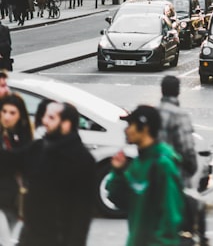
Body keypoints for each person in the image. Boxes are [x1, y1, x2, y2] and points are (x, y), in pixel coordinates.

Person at [0, 100, 96, 246]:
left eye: (51, 118)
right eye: (45, 116)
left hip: (58, 239)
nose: (44, 121)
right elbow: (10, 161)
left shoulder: (82, 160)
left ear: (66, 124)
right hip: (30, 236)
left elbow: (82, 214)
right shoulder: (39, 147)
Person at [106, 104, 184, 246]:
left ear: (144, 127)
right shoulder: (138, 163)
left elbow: (171, 217)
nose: (126, 130)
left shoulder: (163, 165)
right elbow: (119, 200)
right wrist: (117, 172)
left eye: (130, 125)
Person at [159, 76, 207, 246]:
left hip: (157, 176)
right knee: (179, 219)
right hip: (177, 175)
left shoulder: (155, 114)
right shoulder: (180, 115)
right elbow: (187, 149)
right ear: (178, 91)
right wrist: (191, 169)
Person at [0, 93, 33, 246]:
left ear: (20, 115)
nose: (7, 116)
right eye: (4, 111)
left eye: (12, 113)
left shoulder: (23, 136)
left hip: (14, 201)